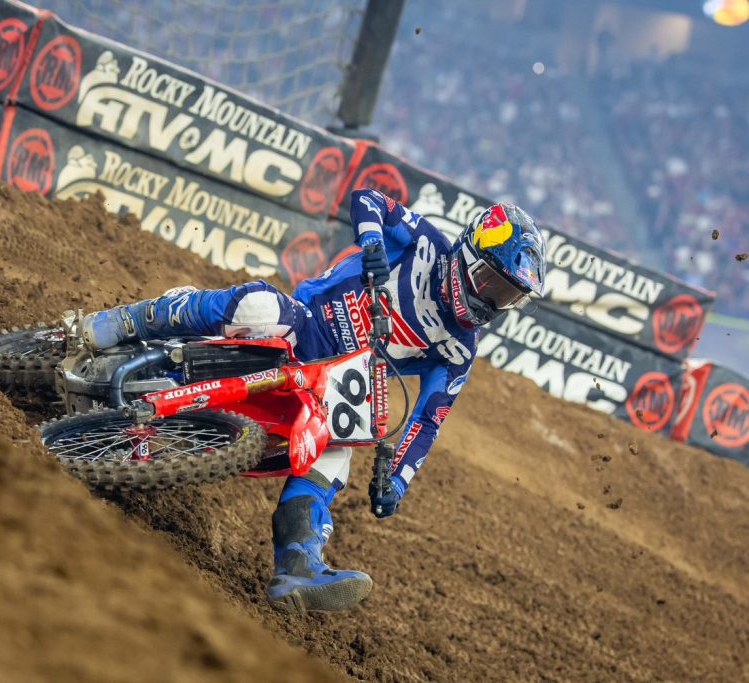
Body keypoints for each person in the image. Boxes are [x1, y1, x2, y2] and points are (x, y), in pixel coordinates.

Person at [82, 189, 546, 614]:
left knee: (339, 450)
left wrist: (397, 483)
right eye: (491, 283)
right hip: (304, 326)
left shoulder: (459, 349)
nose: (491, 302)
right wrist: (373, 243)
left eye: (508, 297)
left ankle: (299, 563)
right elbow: (368, 199)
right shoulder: (425, 243)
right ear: (468, 253)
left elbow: (428, 420)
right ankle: (131, 321)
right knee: (260, 305)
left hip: (338, 383)